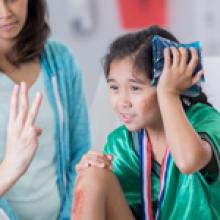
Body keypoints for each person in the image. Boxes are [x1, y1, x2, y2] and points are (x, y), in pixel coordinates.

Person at [72, 25, 220, 220]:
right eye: (114, 88)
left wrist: (168, 93)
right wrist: (90, 171)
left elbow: (188, 161)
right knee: (92, 175)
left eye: (134, 88)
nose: (122, 101)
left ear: (169, 83)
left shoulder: (205, 120)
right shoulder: (120, 144)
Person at [0, 0, 90, 219]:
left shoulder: (60, 60)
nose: (4, 12)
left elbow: (80, 151)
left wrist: (67, 216)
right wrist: (11, 164)